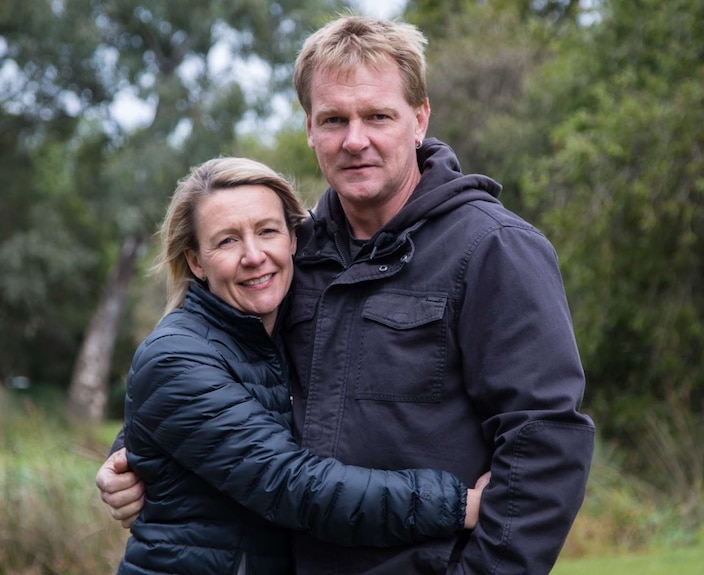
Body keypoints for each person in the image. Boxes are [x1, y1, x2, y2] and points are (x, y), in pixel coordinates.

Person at [100, 15, 596, 575]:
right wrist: (131, 456)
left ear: (420, 119)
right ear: (310, 128)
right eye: (334, 119)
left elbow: (544, 445)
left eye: (377, 116)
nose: (355, 140)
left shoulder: (493, 250)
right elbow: (219, 364)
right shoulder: (294, 254)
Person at [115, 156, 490, 575]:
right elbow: (297, 485)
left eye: (267, 231)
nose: (254, 256)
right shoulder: (176, 356)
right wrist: (462, 504)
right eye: (227, 241)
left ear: (293, 239)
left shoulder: (287, 328)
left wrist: (125, 456)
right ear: (196, 262)